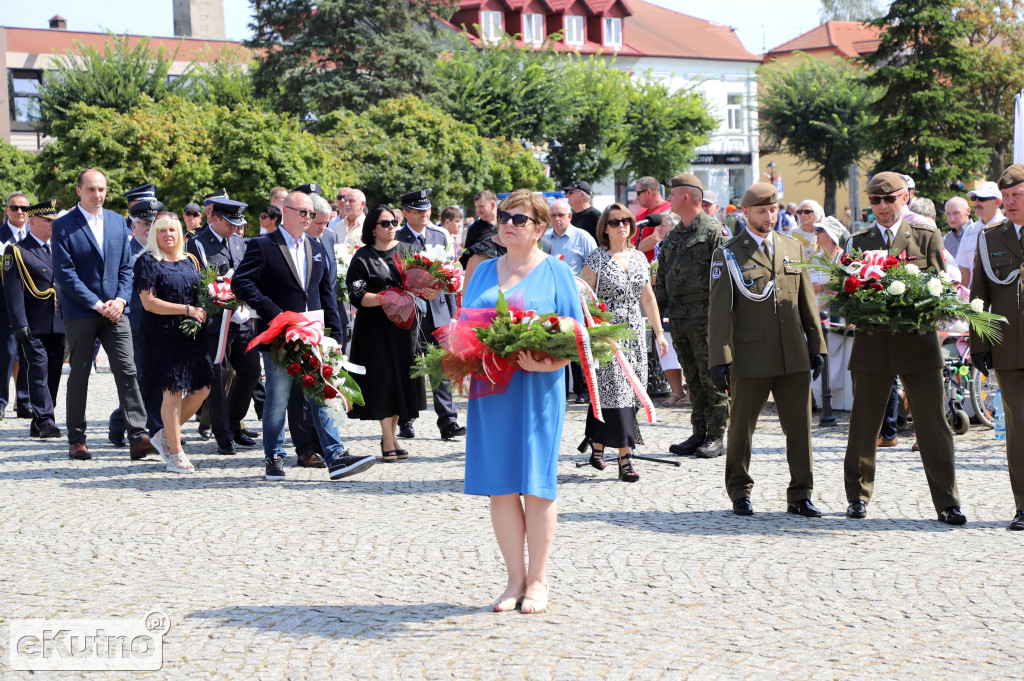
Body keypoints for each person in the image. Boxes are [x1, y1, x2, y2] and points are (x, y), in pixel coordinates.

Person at [462, 189, 584, 614]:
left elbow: (581, 336)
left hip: (536, 390)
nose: (509, 224)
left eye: (519, 219)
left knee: (536, 484)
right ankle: (513, 579)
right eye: (504, 217)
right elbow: (464, 332)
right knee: (500, 486)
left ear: (539, 228)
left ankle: (538, 581)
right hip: (490, 390)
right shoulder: (479, 272)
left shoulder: (556, 272)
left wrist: (549, 366)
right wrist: (463, 363)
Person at [843, 172, 965, 525]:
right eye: (875, 200)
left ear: (904, 199)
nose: (882, 206)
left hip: (918, 344)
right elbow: (846, 295)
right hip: (871, 344)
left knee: (933, 425)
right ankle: (857, 496)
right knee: (864, 426)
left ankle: (947, 501)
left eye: (889, 199)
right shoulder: (858, 241)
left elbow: (941, 289)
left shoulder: (926, 236)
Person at [232, 190, 376, 482]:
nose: (309, 218)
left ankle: (336, 456)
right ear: (285, 211)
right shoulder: (263, 245)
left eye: (311, 214)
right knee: (278, 399)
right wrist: (275, 313)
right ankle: (274, 455)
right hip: (278, 335)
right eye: (303, 213)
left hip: (312, 333)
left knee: (321, 392)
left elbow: (326, 294)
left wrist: (334, 335)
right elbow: (241, 282)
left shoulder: (317, 246)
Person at [708, 183, 827, 516]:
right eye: (762, 210)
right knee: (742, 428)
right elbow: (719, 311)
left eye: (773, 209)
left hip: (793, 355)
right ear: (746, 213)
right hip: (750, 355)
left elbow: (807, 301)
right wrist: (720, 358)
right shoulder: (729, 253)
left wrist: (816, 344)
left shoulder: (792, 247)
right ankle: (739, 491)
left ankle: (801, 494)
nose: (769, 216)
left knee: (800, 429)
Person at [52, 168, 159, 461]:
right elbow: (65, 274)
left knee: (127, 370)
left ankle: (138, 436)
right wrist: (96, 303)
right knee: (81, 373)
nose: (97, 195)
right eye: (91, 189)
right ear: (78, 191)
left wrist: (121, 301)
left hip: (116, 310)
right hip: (81, 311)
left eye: (101, 189)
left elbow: (126, 268)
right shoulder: (63, 226)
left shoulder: (115, 222)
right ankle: (77, 438)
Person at [578, 204, 668, 482]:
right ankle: (625, 459)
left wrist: (659, 332)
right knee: (616, 392)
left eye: (627, 221)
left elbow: (648, 297)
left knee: (631, 392)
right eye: (615, 222)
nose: (622, 226)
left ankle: (596, 441)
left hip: (635, 333)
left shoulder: (640, 257)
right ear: (605, 227)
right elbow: (583, 296)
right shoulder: (596, 259)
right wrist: (595, 330)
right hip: (608, 333)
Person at [655, 173, 729, 459]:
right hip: (679, 317)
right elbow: (662, 278)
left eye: (671, 194)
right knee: (693, 377)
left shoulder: (713, 231)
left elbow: (724, 280)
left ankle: (717, 433)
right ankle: (699, 431)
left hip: (706, 317)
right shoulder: (674, 235)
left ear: (685, 197)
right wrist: (656, 314)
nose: (669, 199)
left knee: (712, 376)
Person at [134, 214, 214, 473]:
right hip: (162, 336)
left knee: (202, 389)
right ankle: (176, 453)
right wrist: (187, 309)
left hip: (192, 335)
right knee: (173, 392)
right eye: (162, 230)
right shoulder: (147, 261)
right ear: (154, 235)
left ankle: (165, 436)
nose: (168, 234)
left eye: (173, 230)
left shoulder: (189, 260)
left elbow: (201, 291)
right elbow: (149, 302)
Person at [346, 204, 425, 461]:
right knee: (383, 381)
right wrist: (386, 298)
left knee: (401, 381)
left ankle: (388, 438)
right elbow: (357, 295)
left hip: (405, 329)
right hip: (375, 331)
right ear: (373, 228)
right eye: (385, 223)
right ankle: (389, 439)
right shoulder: (363, 257)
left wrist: (429, 290)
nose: (391, 227)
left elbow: (422, 284)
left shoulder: (408, 251)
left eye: (393, 222)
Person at [969, 163, 1024, 531]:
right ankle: (1023, 505)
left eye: (1017, 195)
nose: (1010, 202)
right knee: (1019, 427)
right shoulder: (990, 237)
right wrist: (980, 345)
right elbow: (978, 296)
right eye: (1005, 197)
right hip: (1009, 350)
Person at [185, 198, 261, 456]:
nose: (235, 229)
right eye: (230, 223)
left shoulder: (239, 242)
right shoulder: (197, 243)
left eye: (237, 223)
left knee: (250, 371)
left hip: (241, 317)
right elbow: (198, 281)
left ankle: (234, 421)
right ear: (214, 219)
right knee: (218, 377)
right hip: (215, 321)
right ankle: (223, 434)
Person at [395, 188, 465, 441]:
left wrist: (452, 313)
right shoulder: (398, 237)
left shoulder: (439, 234)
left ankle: (448, 422)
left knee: (441, 368)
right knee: (409, 368)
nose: (424, 215)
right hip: (410, 312)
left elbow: (451, 274)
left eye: (426, 210)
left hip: (438, 313)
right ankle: (406, 419)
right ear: (406, 213)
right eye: (417, 211)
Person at [2, 199, 65, 438]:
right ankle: (45, 419)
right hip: (33, 323)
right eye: (48, 221)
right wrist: (19, 323)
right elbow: (12, 289)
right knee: (38, 369)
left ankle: (41, 418)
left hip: (58, 321)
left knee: (55, 372)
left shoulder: (59, 249)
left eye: (54, 222)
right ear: (33, 222)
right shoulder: (17, 250)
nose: (53, 226)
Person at [108, 199, 165, 446]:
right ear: (133, 224)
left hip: (160, 325)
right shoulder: (126, 252)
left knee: (156, 378)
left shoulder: (162, 252)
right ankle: (136, 426)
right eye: (143, 223)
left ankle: (133, 423)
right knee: (141, 379)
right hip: (134, 324)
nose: (148, 228)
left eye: (153, 223)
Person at [543, 197, 597, 405]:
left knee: (576, 342)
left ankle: (582, 389)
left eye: (561, 215)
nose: (557, 219)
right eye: (553, 216)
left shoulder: (582, 237)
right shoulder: (545, 238)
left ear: (569, 216)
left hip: (577, 298)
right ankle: (561, 390)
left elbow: (593, 267)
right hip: (551, 298)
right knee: (556, 343)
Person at [1, 191, 33, 420]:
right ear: (6, 210)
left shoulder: (35, 235)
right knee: (5, 353)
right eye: (15, 208)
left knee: (27, 353)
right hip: (3, 304)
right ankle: (1, 402)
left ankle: (24, 402)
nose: (20, 212)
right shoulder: (0, 236)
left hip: (31, 303)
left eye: (24, 208)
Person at [958, 181, 1004, 288]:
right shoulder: (969, 230)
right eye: (975, 198)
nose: (977, 203)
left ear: (997, 202)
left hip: (1001, 296)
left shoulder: (1007, 227)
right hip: (975, 298)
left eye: (982, 199)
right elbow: (964, 269)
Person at [632, 177, 672, 262]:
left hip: (655, 269)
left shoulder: (668, 210)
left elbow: (657, 238)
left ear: (649, 192)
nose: (636, 198)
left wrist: (630, 253)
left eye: (638, 193)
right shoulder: (641, 212)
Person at [462, 190, 498, 268]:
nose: (478, 210)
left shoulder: (505, 224)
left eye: (481, 206)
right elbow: (466, 258)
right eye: (476, 207)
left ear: (493, 205)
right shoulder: (474, 228)